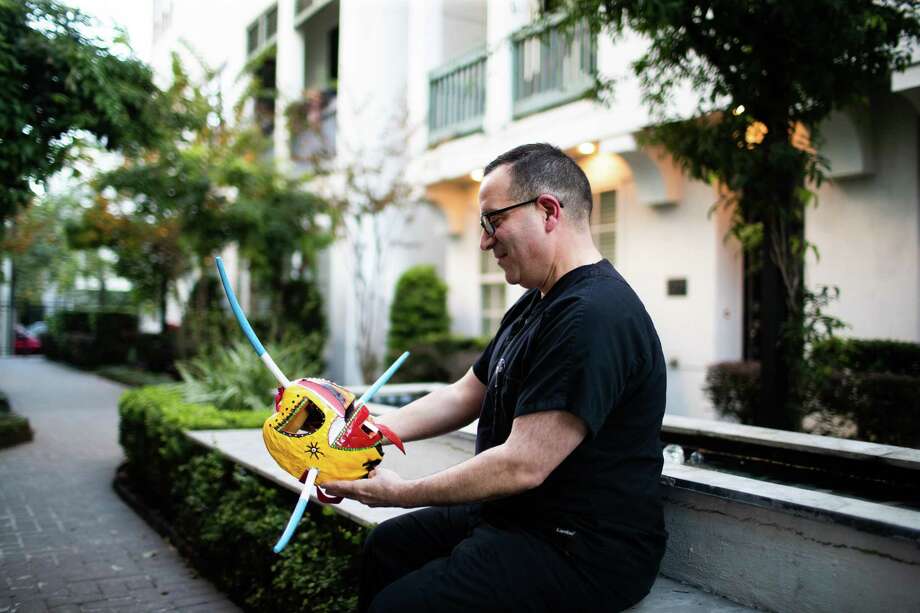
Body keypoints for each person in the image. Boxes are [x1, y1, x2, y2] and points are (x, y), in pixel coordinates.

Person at [323, 143, 668, 612]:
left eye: (492, 220)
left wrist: (401, 494)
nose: (485, 241)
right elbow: (466, 393)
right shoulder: (539, 302)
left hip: (579, 548)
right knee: (386, 548)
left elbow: (522, 464)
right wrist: (362, 433)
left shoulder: (593, 315)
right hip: (518, 517)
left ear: (547, 211)